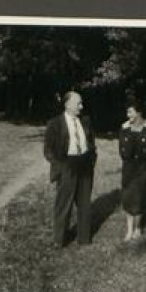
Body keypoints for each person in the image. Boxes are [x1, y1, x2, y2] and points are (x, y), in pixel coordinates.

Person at [43, 90, 97, 247]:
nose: (81, 106)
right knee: (63, 203)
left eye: (81, 103)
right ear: (67, 104)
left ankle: (84, 238)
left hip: (85, 165)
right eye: (78, 103)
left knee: (85, 203)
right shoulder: (55, 124)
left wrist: (92, 158)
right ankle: (59, 240)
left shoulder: (86, 121)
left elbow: (92, 142)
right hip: (66, 165)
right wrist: (60, 167)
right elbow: (48, 150)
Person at [118, 99, 146, 241]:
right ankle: (129, 230)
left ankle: (138, 228)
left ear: (139, 112)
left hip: (144, 168)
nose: (127, 114)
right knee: (128, 197)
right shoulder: (124, 128)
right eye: (127, 111)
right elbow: (121, 150)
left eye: (130, 111)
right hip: (129, 168)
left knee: (141, 197)